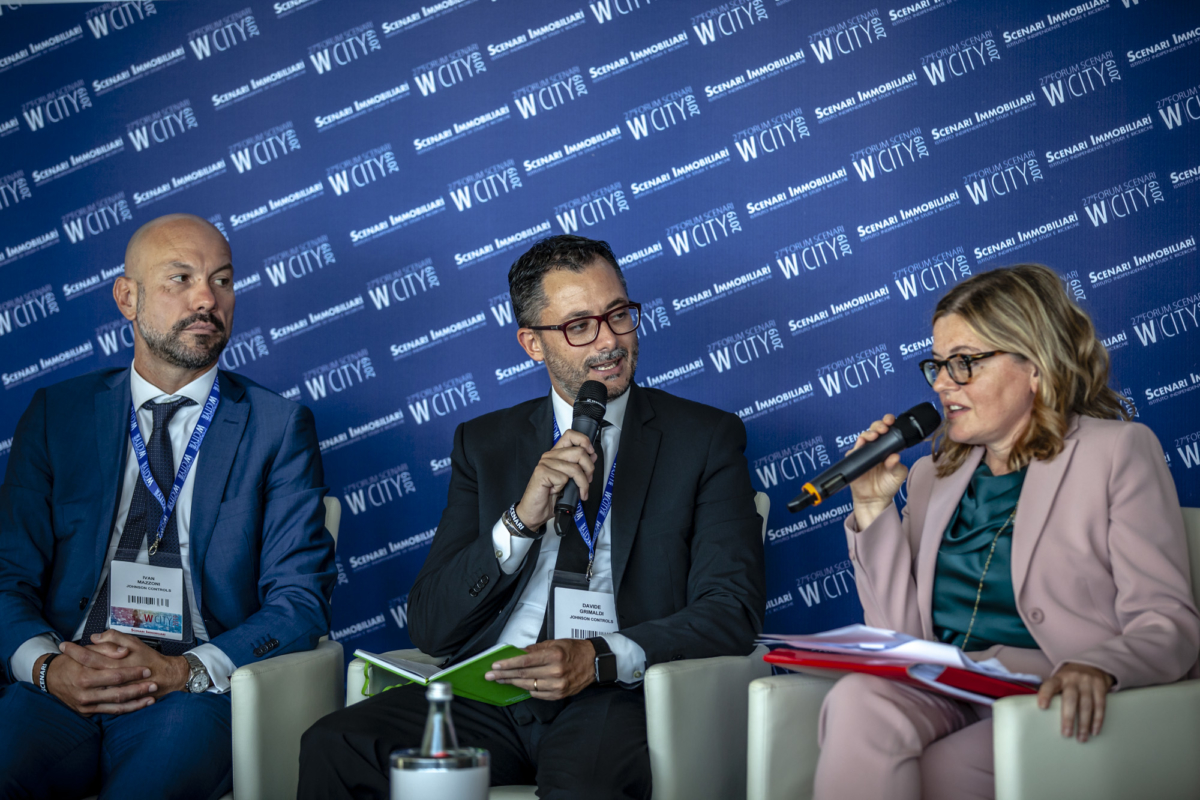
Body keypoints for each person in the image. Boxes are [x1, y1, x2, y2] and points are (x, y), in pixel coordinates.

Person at [299, 234, 766, 799]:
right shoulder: (484, 443)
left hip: (611, 695)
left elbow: (730, 609)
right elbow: (431, 625)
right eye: (580, 326)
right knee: (336, 744)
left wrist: (597, 657)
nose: (610, 341)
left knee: (586, 783)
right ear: (532, 344)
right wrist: (519, 522)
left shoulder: (704, 438)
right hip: (494, 690)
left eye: (619, 314)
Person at [814, 263, 1200, 799]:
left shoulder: (1117, 452)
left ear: (1035, 366)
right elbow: (899, 639)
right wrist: (872, 505)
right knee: (857, 698)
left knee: (940, 774)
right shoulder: (929, 477)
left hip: (1050, 691)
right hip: (949, 685)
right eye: (938, 365)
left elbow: (1166, 620)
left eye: (964, 363)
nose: (942, 384)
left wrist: (1100, 666)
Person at [0, 213, 336, 800]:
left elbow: (300, 600)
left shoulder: (278, 427)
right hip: (63, 679)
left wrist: (183, 671)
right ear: (127, 298)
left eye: (222, 281)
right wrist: (49, 669)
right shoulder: (58, 415)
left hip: (187, 696)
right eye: (180, 279)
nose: (207, 299)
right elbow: (7, 576)